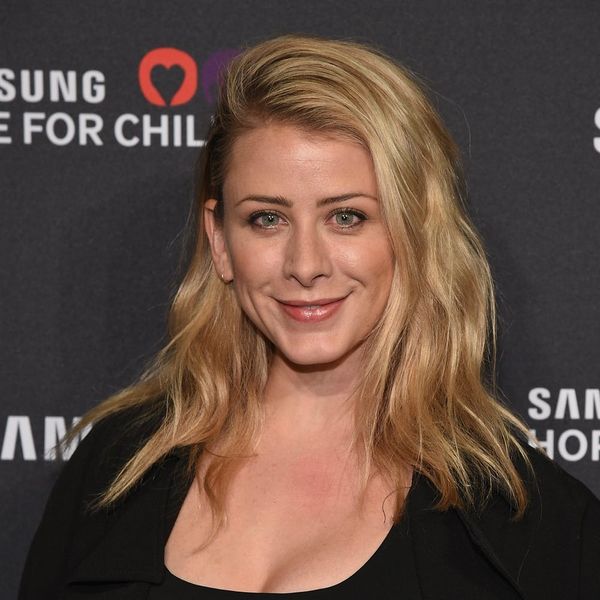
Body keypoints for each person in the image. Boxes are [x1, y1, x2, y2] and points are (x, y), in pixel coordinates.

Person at [19, 35, 600, 600]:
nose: (305, 265)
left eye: (346, 217)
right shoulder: (116, 467)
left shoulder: (528, 523)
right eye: (266, 219)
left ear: (416, 234)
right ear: (220, 242)